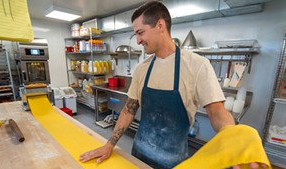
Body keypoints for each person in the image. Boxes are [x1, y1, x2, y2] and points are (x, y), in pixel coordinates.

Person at [80, 1, 268, 168]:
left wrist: (233, 137)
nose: (137, 40)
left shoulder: (197, 65)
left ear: (160, 25)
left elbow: (217, 112)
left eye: (140, 32)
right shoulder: (142, 69)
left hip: (174, 162)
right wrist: (109, 144)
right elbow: (129, 110)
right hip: (138, 155)